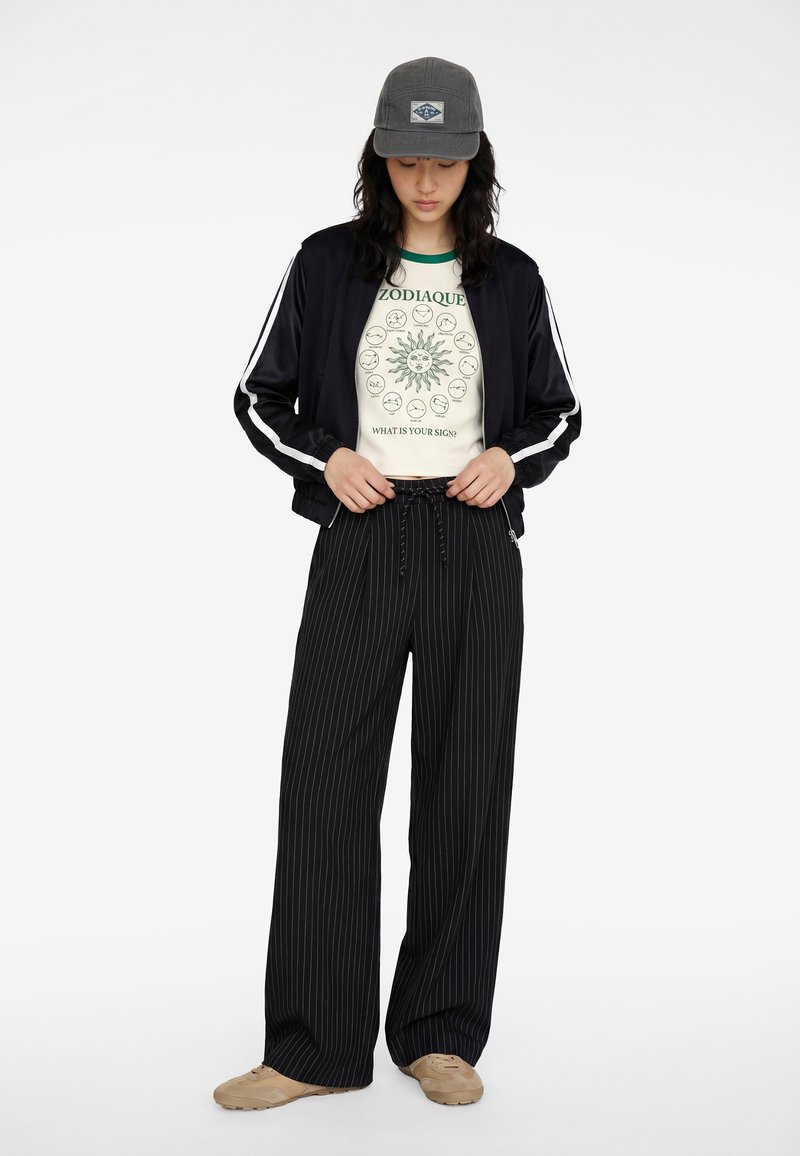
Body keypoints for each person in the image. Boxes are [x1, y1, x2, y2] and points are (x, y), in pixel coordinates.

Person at [213, 55, 582, 1112]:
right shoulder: (326, 263)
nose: (427, 181)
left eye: (446, 162)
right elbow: (256, 396)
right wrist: (326, 460)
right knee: (324, 781)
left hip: (473, 543)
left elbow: (560, 411)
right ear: (379, 158)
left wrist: (509, 460)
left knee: (465, 785)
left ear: (476, 164)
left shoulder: (512, 278)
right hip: (362, 535)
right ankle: (313, 1046)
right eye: (409, 159)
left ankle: (439, 1033)